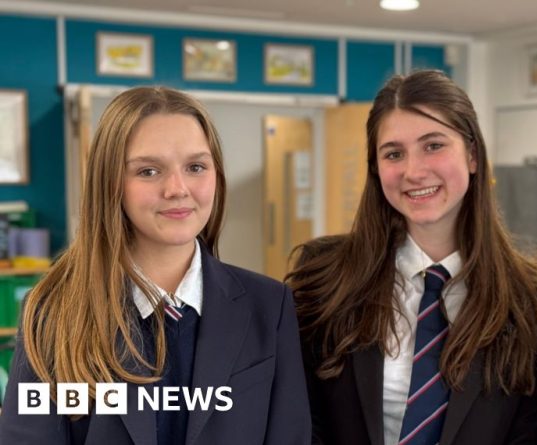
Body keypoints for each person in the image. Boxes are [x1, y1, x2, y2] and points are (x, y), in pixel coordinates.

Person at [0, 86, 310, 444]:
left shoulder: (269, 306)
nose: (177, 188)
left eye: (196, 167)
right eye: (148, 171)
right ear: (110, 182)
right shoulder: (54, 311)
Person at [286, 70, 537, 445]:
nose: (413, 172)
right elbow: (301, 421)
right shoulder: (323, 276)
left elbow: (528, 434)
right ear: (376, 168)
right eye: (394, 154)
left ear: (473, 155)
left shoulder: (531, 299)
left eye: (433, 145)